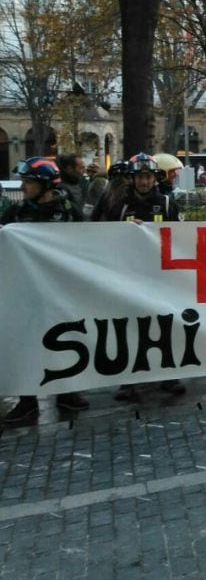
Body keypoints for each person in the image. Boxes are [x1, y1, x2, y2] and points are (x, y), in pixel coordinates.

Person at [1, 158, 89, 422]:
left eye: (28, 182)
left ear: (45, 184)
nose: (23, 186)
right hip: (26, 292)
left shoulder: (69, 212)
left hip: (60, 291)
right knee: (26, 344)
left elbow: (92, 240)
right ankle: (27, 401)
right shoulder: (15, 214)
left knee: (64, 341)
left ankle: (67, 393)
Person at [111, 154, 186, 401]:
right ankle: (128, 380)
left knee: (164, 325)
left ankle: (168, 375)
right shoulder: (120, 205)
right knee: (130, 328)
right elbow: (102, 234)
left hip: (160, 276)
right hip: (130, 276)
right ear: (132, 179)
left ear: (154, 178)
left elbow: (182, 237)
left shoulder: (166, 204)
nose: (144, 182)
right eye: (140, 177)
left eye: (148, 177)